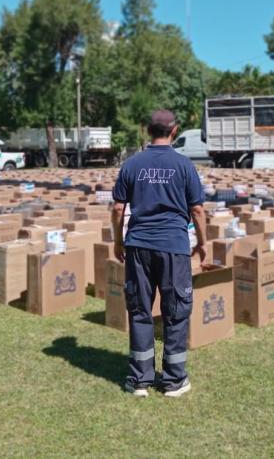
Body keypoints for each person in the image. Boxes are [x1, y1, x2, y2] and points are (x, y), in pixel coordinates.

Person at [111, 109, 206, 398]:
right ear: (174, 130)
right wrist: (203, 243)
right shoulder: (184, 165)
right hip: (174, 248)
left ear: (146, 130)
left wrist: (118, 242)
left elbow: (117, 208)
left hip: (139, 246)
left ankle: (140, 380)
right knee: (175, 312)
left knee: (140, 310)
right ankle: (174, 381)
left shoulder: (132, 164)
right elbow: (198, 209)